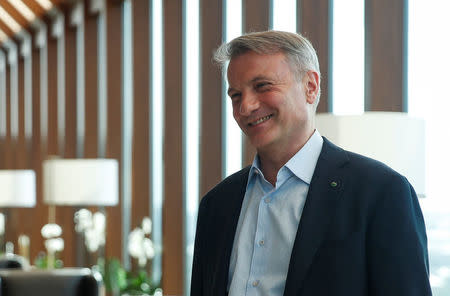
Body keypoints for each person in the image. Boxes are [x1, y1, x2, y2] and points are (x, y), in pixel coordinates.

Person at [191, 30, 431, 296]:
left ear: (310, 86)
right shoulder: (216, 205)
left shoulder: (382, 193)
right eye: (236, 95)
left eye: (262, 86)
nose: (245, 107)